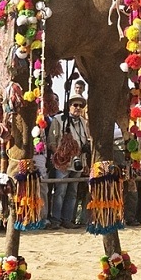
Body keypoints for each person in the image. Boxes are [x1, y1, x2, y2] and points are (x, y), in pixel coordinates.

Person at [48, 96, 90, 229]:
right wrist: (61, 157)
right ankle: (56, 220)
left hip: (78, 163)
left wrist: (85, 163)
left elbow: (85, 143)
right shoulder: (58, 120)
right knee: (60, 191)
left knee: (73, 192)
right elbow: (51, 142)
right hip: (63, 162)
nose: (78, 108)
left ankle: (67, 220)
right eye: (75, 105)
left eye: (80, 106)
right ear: (69, 106)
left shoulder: (83, 122)